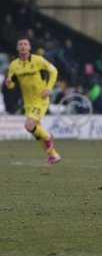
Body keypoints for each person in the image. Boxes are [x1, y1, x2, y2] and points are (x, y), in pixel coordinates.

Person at [5, 36, 61, 165]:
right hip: (28, 102)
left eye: (25, 44)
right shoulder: (14, 65)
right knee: (37, 132)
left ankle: (49, 137)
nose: (23, 46)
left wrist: (49, 88)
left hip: (40, 99)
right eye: (20, 44)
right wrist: (8, 83)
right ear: (17, 48)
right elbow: (12, 84)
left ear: (29, 47)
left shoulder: (38, 60)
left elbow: (54, 71)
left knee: (29, 126)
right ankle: (54, 155)